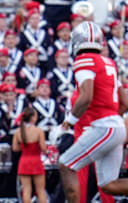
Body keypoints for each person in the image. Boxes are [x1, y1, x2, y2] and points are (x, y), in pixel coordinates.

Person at [59, 21, 128, 203]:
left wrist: (69, 122)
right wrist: (113, 123)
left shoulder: (84, 60)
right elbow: (125, 101)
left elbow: (86, 96)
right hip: (116, 126)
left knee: (66, 165)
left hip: (103, 126)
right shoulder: (109, 62)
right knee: (108, 184)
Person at [12, 107, 47, 203]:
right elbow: (43, 148)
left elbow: (15, 148)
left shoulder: (18, 131)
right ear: (32, 118)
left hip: (24, 161)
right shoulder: (39, 131)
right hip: (36, 161)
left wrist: (25, 148)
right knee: (40, 191)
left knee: (26, 190)